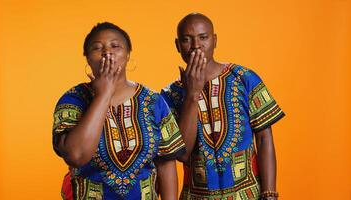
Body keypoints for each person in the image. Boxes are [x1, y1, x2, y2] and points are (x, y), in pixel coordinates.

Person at [52, 22, 185, 200]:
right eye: (97, 48)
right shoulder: (73, 100)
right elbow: (76, 155)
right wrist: (103, 95)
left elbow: (166, 163)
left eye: (115, 46)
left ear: (128, 54)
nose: (108, 52)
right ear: (88, 58)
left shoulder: (153, 101)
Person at [161, 13, 285, 200]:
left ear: (214, 40)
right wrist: (192, 95)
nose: (196, 46)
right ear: (177, 45)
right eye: (187, 40)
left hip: (247, 195)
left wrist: (269, 194)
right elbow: (183, 154)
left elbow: (264, 139)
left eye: (203, 37)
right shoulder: (170, 95)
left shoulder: (244, 79)